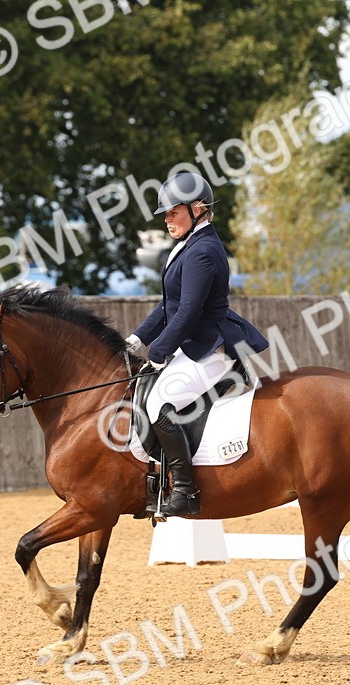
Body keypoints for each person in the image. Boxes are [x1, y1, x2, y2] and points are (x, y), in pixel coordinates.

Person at [125, 172, 269, 517]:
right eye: (165, 213)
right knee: (143, 390)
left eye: (173, 212)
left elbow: (189, 311)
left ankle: (185, 492)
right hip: (192, 344)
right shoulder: (186, 246)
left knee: (161, 403)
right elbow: (167, 305)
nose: (166, 219)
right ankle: (157, 484)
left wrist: (158, 352)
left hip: (211, 347)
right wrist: (137, 339)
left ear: (198, 209)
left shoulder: (203, 250)